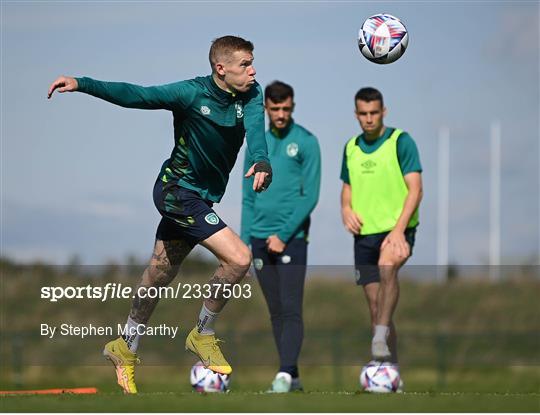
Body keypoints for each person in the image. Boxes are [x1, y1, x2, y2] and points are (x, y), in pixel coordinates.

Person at [47, 35, 272, 394]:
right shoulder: (190, 93)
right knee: (240, 257)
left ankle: (125, 346)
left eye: (252, 63)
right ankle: (203, 332)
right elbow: (137, 94)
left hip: (201, 198)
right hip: (176, 192)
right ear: (221, 68)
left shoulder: (252, 94)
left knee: (159, 272)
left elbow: (257, 130)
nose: (253, 70)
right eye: (244, 64)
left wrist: (261, 159)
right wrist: (82, 84)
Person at [241, 81, 321, 392]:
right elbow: (248, 198)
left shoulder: (306, 142)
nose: (281, 114)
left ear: (293, 106)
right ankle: (293, 375)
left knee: (291, 307)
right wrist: (244, 243)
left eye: (286, 108)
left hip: (292, 239)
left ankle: (285, 372)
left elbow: (310, 195)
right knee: (275, 310)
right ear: (266, 109)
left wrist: (283, 234)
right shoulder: (255, 146)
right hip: (259, 240)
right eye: (275, 109)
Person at [340, 87, 422, 366]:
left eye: (374, 113)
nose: (369, 119)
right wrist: (345, 208)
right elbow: (347, 188)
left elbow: (415, 190)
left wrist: (399, 230)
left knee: (388, 269)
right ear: (356, 115)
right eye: (363, 114)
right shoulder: (351, 147)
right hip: (364, 235)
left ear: (383, 112)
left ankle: (378, 338)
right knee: (377, 308)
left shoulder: (401, 141)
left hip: (396, 230)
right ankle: (390, 370)